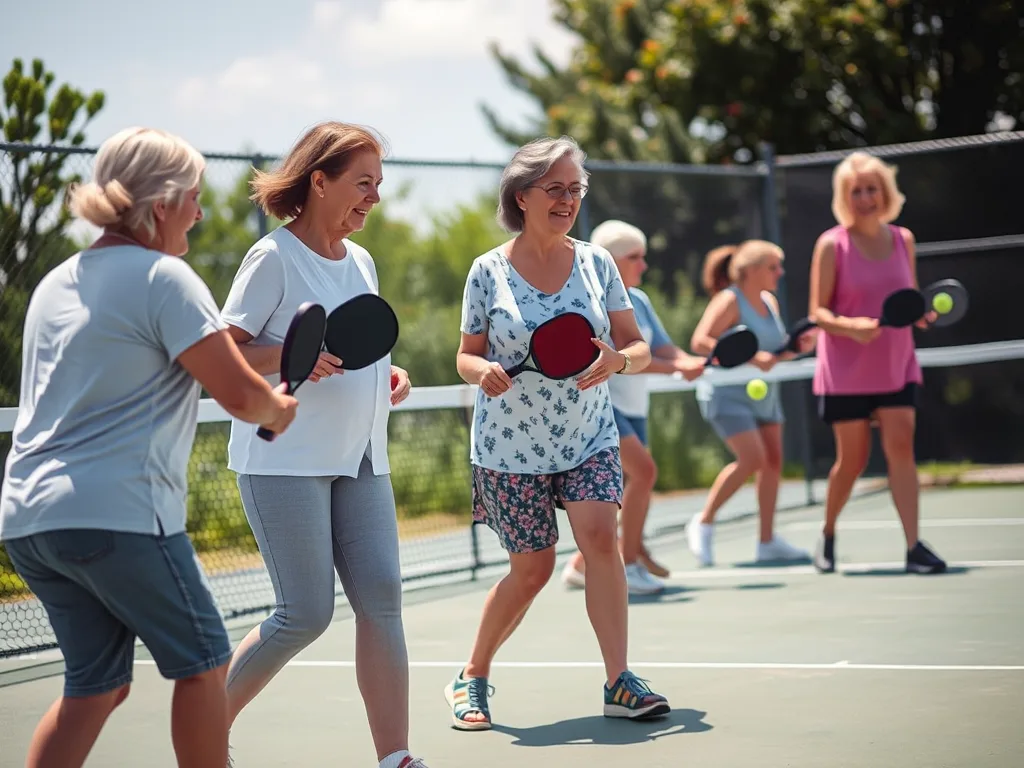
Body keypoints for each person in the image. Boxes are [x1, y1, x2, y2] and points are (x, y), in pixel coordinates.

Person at [0, 126, 297, 768]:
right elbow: (242, 395)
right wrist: (277, 406)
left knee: (96, 686)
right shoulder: (168, 278)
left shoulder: (55, 282)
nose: (199, 210)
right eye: (192, 195)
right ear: (161, 204)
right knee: (204, 664)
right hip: (121, 516)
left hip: (29, 520)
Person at [445, 135, 671, 731]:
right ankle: (472, 675)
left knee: (601, 538)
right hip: (509, 445)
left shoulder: (598, 263)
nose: (568, 199)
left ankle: (619, 681)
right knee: (535, 568)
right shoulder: (486, 271)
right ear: (522, 196)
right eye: (555, 189)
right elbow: (464, 356)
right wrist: (483, 370)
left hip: (589, 433)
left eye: (576, 189)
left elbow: (637, 345)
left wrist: (622, 361)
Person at [218, 121, 426, 768]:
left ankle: (395, 758)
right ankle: (200, 730)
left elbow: (352, 345)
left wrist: (384, 374)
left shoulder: (361, 260)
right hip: (284, 459)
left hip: (361, 457)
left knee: (383, 602)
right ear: (319, 181)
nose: (374, 197)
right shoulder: (273, 257)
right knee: (303, 614)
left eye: (379, 185)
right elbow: (225, 350)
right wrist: (295, 356)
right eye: (363, 183)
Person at [808, 150, 947, 575]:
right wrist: (852, 327)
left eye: (872, 189)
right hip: (845, 370)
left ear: (884, 193)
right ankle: (828, 533)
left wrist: (921, 316)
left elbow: (911, 299)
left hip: (896, 363)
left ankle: (913, 546)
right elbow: (818, 312)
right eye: (856, 191)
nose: (865, 198)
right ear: (844, 197)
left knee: (901, 447)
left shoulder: (904, 240)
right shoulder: (831, 244)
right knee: (852, 460)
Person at [559, 219, 706, 595]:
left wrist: (689, 361)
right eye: (634, 257)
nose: (643, 265)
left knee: (621, 494)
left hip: (635, 410)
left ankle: (580, 566)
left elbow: (663, 347)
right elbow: (624, 358)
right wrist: (677, 367)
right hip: (604, 408)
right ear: (611, 260)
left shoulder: (639, 299)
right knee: (645, 473)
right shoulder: (590, 300)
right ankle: (631, 563)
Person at [686, 240, 814, 567]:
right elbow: (700, 341)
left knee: (772, 463)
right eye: (773, 267)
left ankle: (767, 541)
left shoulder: (770, 301)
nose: (780, 273)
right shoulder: (729, 299)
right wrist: (752, 357)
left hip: (764, 394)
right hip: (727, 395)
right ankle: (704, 521)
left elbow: (773, 354)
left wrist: (796, 348)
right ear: (753, 270)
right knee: (752, 458)